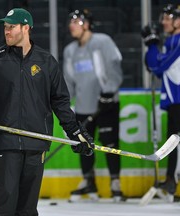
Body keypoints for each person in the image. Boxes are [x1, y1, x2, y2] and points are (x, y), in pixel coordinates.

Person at [0, 8, 95, 216]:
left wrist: (76, 133)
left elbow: (60, 102)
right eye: (5, 27)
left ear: (26, 28)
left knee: (27, 208)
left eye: (11, 27)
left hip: (36, 142)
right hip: (4, 141)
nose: (6, 31)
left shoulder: (46, 62)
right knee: (4, 204)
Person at [63, 9, 124, 202]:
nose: (71, 25)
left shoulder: (103, 42)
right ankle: (88, 181)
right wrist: (66, 106)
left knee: (110, 142)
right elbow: (68, 81)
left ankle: (115, 182)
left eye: (76, 21)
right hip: (83, 107)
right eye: (70, 22)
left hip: (105, 104)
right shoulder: (70, 51)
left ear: (86, 24)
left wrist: (109, 91)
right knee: (83, 144)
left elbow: (115, 66)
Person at [141, 4, 180, 201]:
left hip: (179, 101)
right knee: (174, 142)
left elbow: (157, 66)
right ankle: (171, 180)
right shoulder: (171, 41)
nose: (163, 21)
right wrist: (152, 45)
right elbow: (152, 65)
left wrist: (152, 45)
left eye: (168, 17)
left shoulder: (178, 41)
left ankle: (172, 181)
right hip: (175, 102)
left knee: (177, 143)